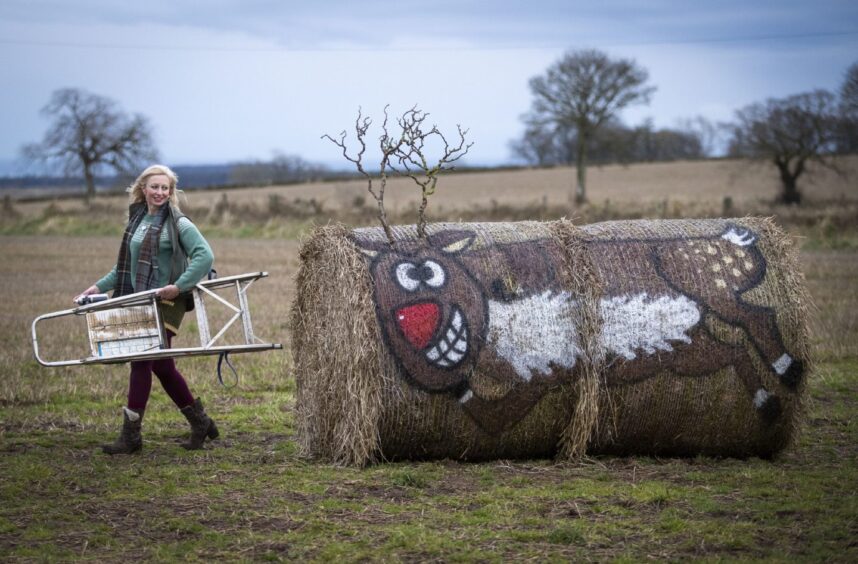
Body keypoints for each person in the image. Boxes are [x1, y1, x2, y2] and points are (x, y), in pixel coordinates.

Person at [74, 164, 218, 454]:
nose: (160, 193)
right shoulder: (137, 220)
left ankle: (131, 437)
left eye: (165, 188)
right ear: (143, 188)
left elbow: (205, 256)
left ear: (171, 192)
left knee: (141, 359)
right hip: (140, 299)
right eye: (155, 187)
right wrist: (97, 287)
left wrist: (179, 285)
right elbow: (123, 268)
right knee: (162, 366)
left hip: (166, 302)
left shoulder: (179, 224)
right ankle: (201, 423)